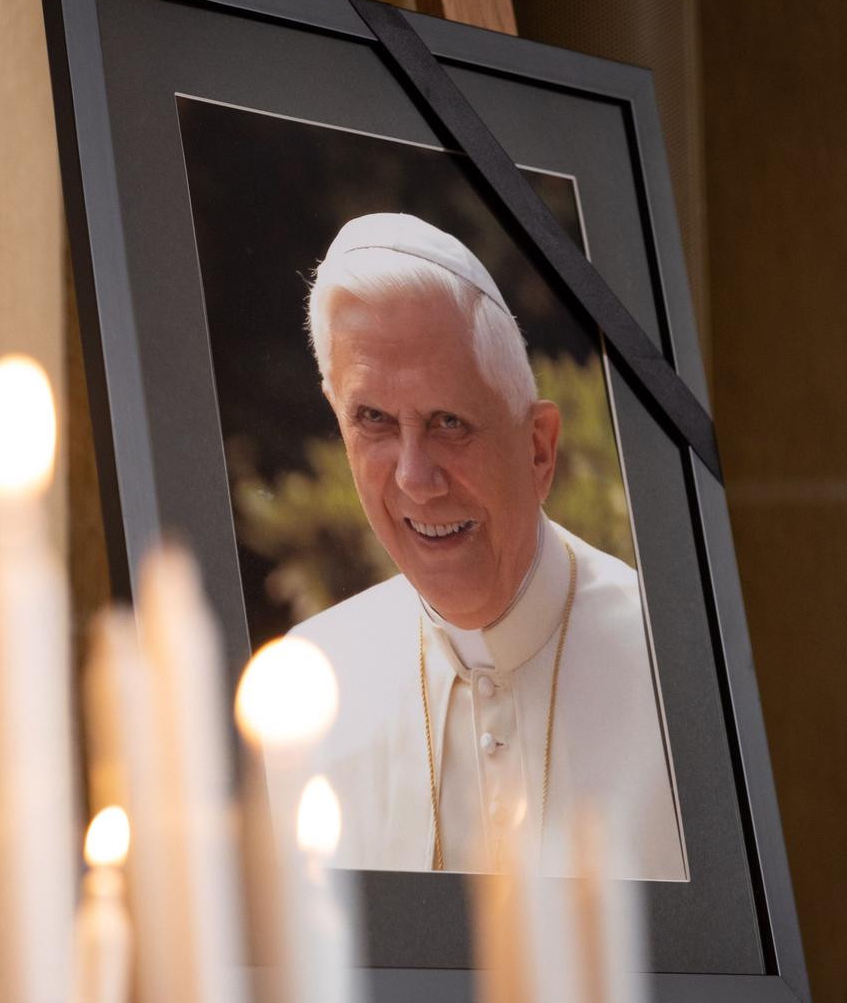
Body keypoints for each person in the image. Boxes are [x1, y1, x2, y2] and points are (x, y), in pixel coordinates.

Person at [272, 212, 685, 880]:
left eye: (449, 422)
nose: (415, 479)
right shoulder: (309, 690)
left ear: (537, 448)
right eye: (372, 419)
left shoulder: (682, 671)